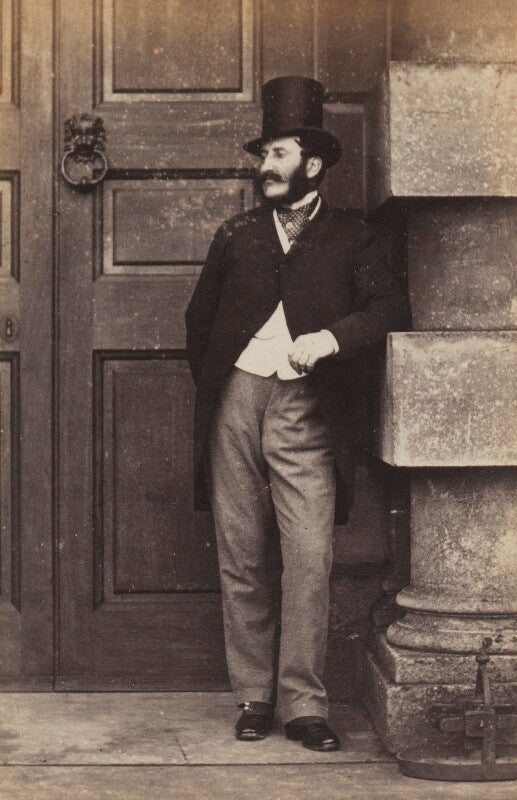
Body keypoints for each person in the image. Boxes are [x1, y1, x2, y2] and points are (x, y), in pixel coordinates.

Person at [185, 76, 408, 751]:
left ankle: (304, 705)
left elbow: (389, 309)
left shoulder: (354, 236)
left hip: (308, 411)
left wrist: (329, 340)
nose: (265, 166)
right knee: (241, 554)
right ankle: (253, 697)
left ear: (312, 163)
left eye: (277, 154)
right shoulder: (237, 234)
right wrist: (229, 383)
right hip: (234, 403)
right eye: (263, 155)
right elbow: (199, 321)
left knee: (308, 558)